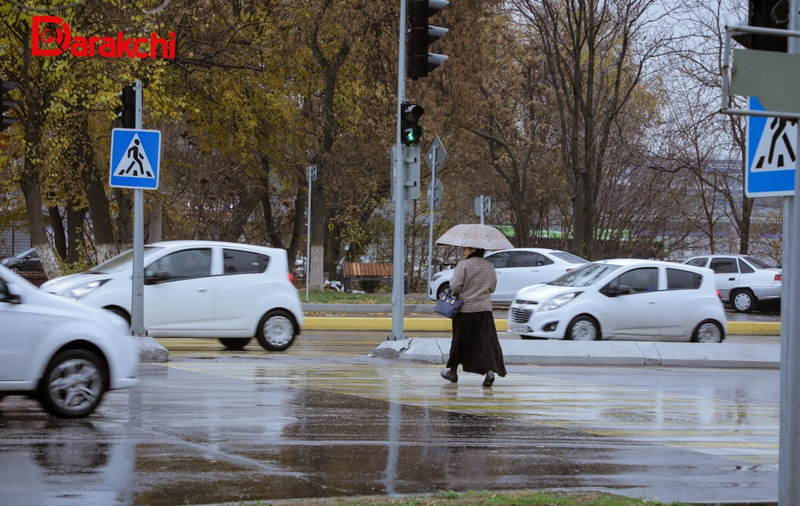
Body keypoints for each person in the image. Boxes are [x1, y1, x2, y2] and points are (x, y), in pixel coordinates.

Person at [441, 246, 507, 386]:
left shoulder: (463, 265)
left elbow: (455, 286)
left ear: (473, 249)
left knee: (459, 342)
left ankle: (452, 372)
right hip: (484, 310)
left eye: (465, 248)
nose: (463, 250)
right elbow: (492, 288)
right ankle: (489, 371)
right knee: (486, 343)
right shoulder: (489, 266)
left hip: (465, 310)